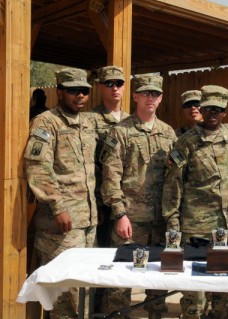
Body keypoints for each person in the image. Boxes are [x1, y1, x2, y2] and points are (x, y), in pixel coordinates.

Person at [163, 85, 228, 319]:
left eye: (219, 109)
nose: (214, 113)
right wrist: (172, 223)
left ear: (225, 111)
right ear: (201, 109)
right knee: (195, 297)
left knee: (224, 295)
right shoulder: (186, 142)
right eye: (209, 108)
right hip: (196, 229)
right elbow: (174, 185)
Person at [100, 73, 176, 318]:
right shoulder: (120, 132)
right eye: (145, 93)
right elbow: (110, 177)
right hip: (131, 222)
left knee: (158, 283)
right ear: (135, 96)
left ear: (161, 98)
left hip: (161, 221)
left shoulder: (168, 133)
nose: (150, 98)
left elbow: (175, 178)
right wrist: (120, 214)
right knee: (121, 283)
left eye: (154, 94)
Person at [25, 68, 97, 318]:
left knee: (83, 286)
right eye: (73, 90)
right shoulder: (46, 122)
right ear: (59, 92)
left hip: (88, 220)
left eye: (84, 91)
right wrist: (58, 206)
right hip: (61, 224)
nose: (80, 95)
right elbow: (38, 167)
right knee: (63, 292)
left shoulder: (87, 123)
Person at [89, 65, 130, 248]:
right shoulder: (89, 120)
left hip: (126, 201)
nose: (114, 88)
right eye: (109, 83)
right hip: (98, 201)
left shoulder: (131, 122)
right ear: (100, 87)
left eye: (119, 83)